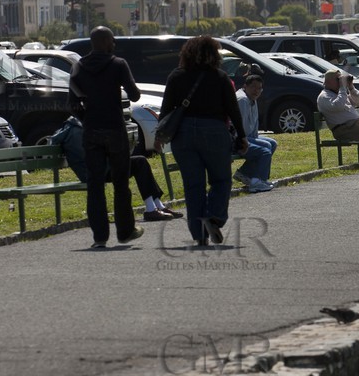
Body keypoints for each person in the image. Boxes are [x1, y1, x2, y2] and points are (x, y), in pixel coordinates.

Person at [163, 35, 246, 246]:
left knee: (193, 186)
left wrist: (160, 136)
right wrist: (242, 135)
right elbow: (233, 110)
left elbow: (166, 110)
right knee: (221, 179)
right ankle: (214, 217)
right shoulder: (220, 77)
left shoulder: (176, 76)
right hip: (214, 131)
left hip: (183, 134)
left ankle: (199, 235)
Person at [68, 26, 143, 247]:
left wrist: (87, 119)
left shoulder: (78, 67)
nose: (114, 44)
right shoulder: (118, 64)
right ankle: (125, 231)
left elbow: (73, 104)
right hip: (115, 129)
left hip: (91, 131)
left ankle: (100, 237)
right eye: (112, 40)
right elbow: (135, 95)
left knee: (95, 184)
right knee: (121, 183)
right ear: (105, 42)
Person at [52, 116, 181, 222]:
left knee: (140, 162)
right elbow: (90, 157)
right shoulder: (76, 132)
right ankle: (151, 209)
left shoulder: (81, 127)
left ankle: (157, 206)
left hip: (104, 167)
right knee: (140, 162)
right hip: (96, 172)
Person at [234, 71, 278, 193]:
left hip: (247, 136)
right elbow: (241, 128)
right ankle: (257, 182)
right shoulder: (242, 100)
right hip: (237, 139)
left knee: (272, 143)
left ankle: (244, 174)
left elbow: (253, 126)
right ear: (245, 86)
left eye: (259, 88)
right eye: (253, 87)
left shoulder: (251, 98)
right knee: (265, 150)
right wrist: (252, 141)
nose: (256, 91)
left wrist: (255, 139)